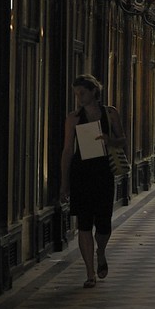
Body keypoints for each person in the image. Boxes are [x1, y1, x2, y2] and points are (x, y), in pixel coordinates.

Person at [59, 73, 126, 288]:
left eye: (82, 93)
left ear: (94, 92)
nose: (79, 97)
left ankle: (101, 250)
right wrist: (64, 183)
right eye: (76, 93)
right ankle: (89, 272)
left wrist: (110, 140)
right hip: (82, 172)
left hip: (104, 171)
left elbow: (123, 140)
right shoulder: (73, 118)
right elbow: (68, 150)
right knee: (84, 223)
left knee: (104, 223)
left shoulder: (110, 113)